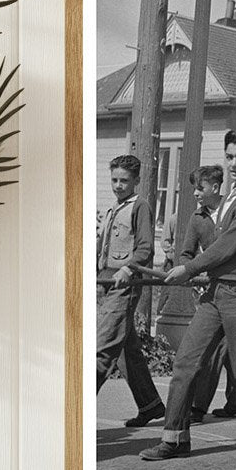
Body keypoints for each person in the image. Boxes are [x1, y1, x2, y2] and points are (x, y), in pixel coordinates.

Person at [138, 131, 236, 460]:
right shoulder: (228, 199)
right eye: (230, 157)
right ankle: (175, 439)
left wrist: (189, 269)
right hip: (216, 292)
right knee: (185, 362)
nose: (234, 164)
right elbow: (211, 244)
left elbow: (227, 246)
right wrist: (190, 266)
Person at [177, 165, 236, 424]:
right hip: (211, 288)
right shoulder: (197, 219)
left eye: (200, 188)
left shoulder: (233, 210)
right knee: (210, 352)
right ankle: (198, 407)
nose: (196, 194)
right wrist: (192, 275)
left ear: (215, 187)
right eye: (194, 189)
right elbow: (186, 253)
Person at [96, 154, 164, 427]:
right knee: (127, 351)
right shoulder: (115, 208)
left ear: (136, 181)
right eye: (114, 179)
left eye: (124, 180)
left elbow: (146, 248)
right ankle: (150, 405)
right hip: (106, 282)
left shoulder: (140, 207)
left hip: (125, 285)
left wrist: (129, 269)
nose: (118, 185)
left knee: (102, 349)